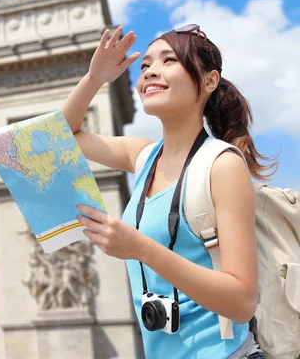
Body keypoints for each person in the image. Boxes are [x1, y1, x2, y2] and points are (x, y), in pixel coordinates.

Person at [60, 24, 277, 359]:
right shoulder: (143, 156)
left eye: (168, 61)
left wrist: (141, 248)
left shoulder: (221, 165)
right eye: (145, 66)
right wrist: (95, 78)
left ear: (209, 81)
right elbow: (61, 135)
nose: (151, 72)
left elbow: (242, 301)